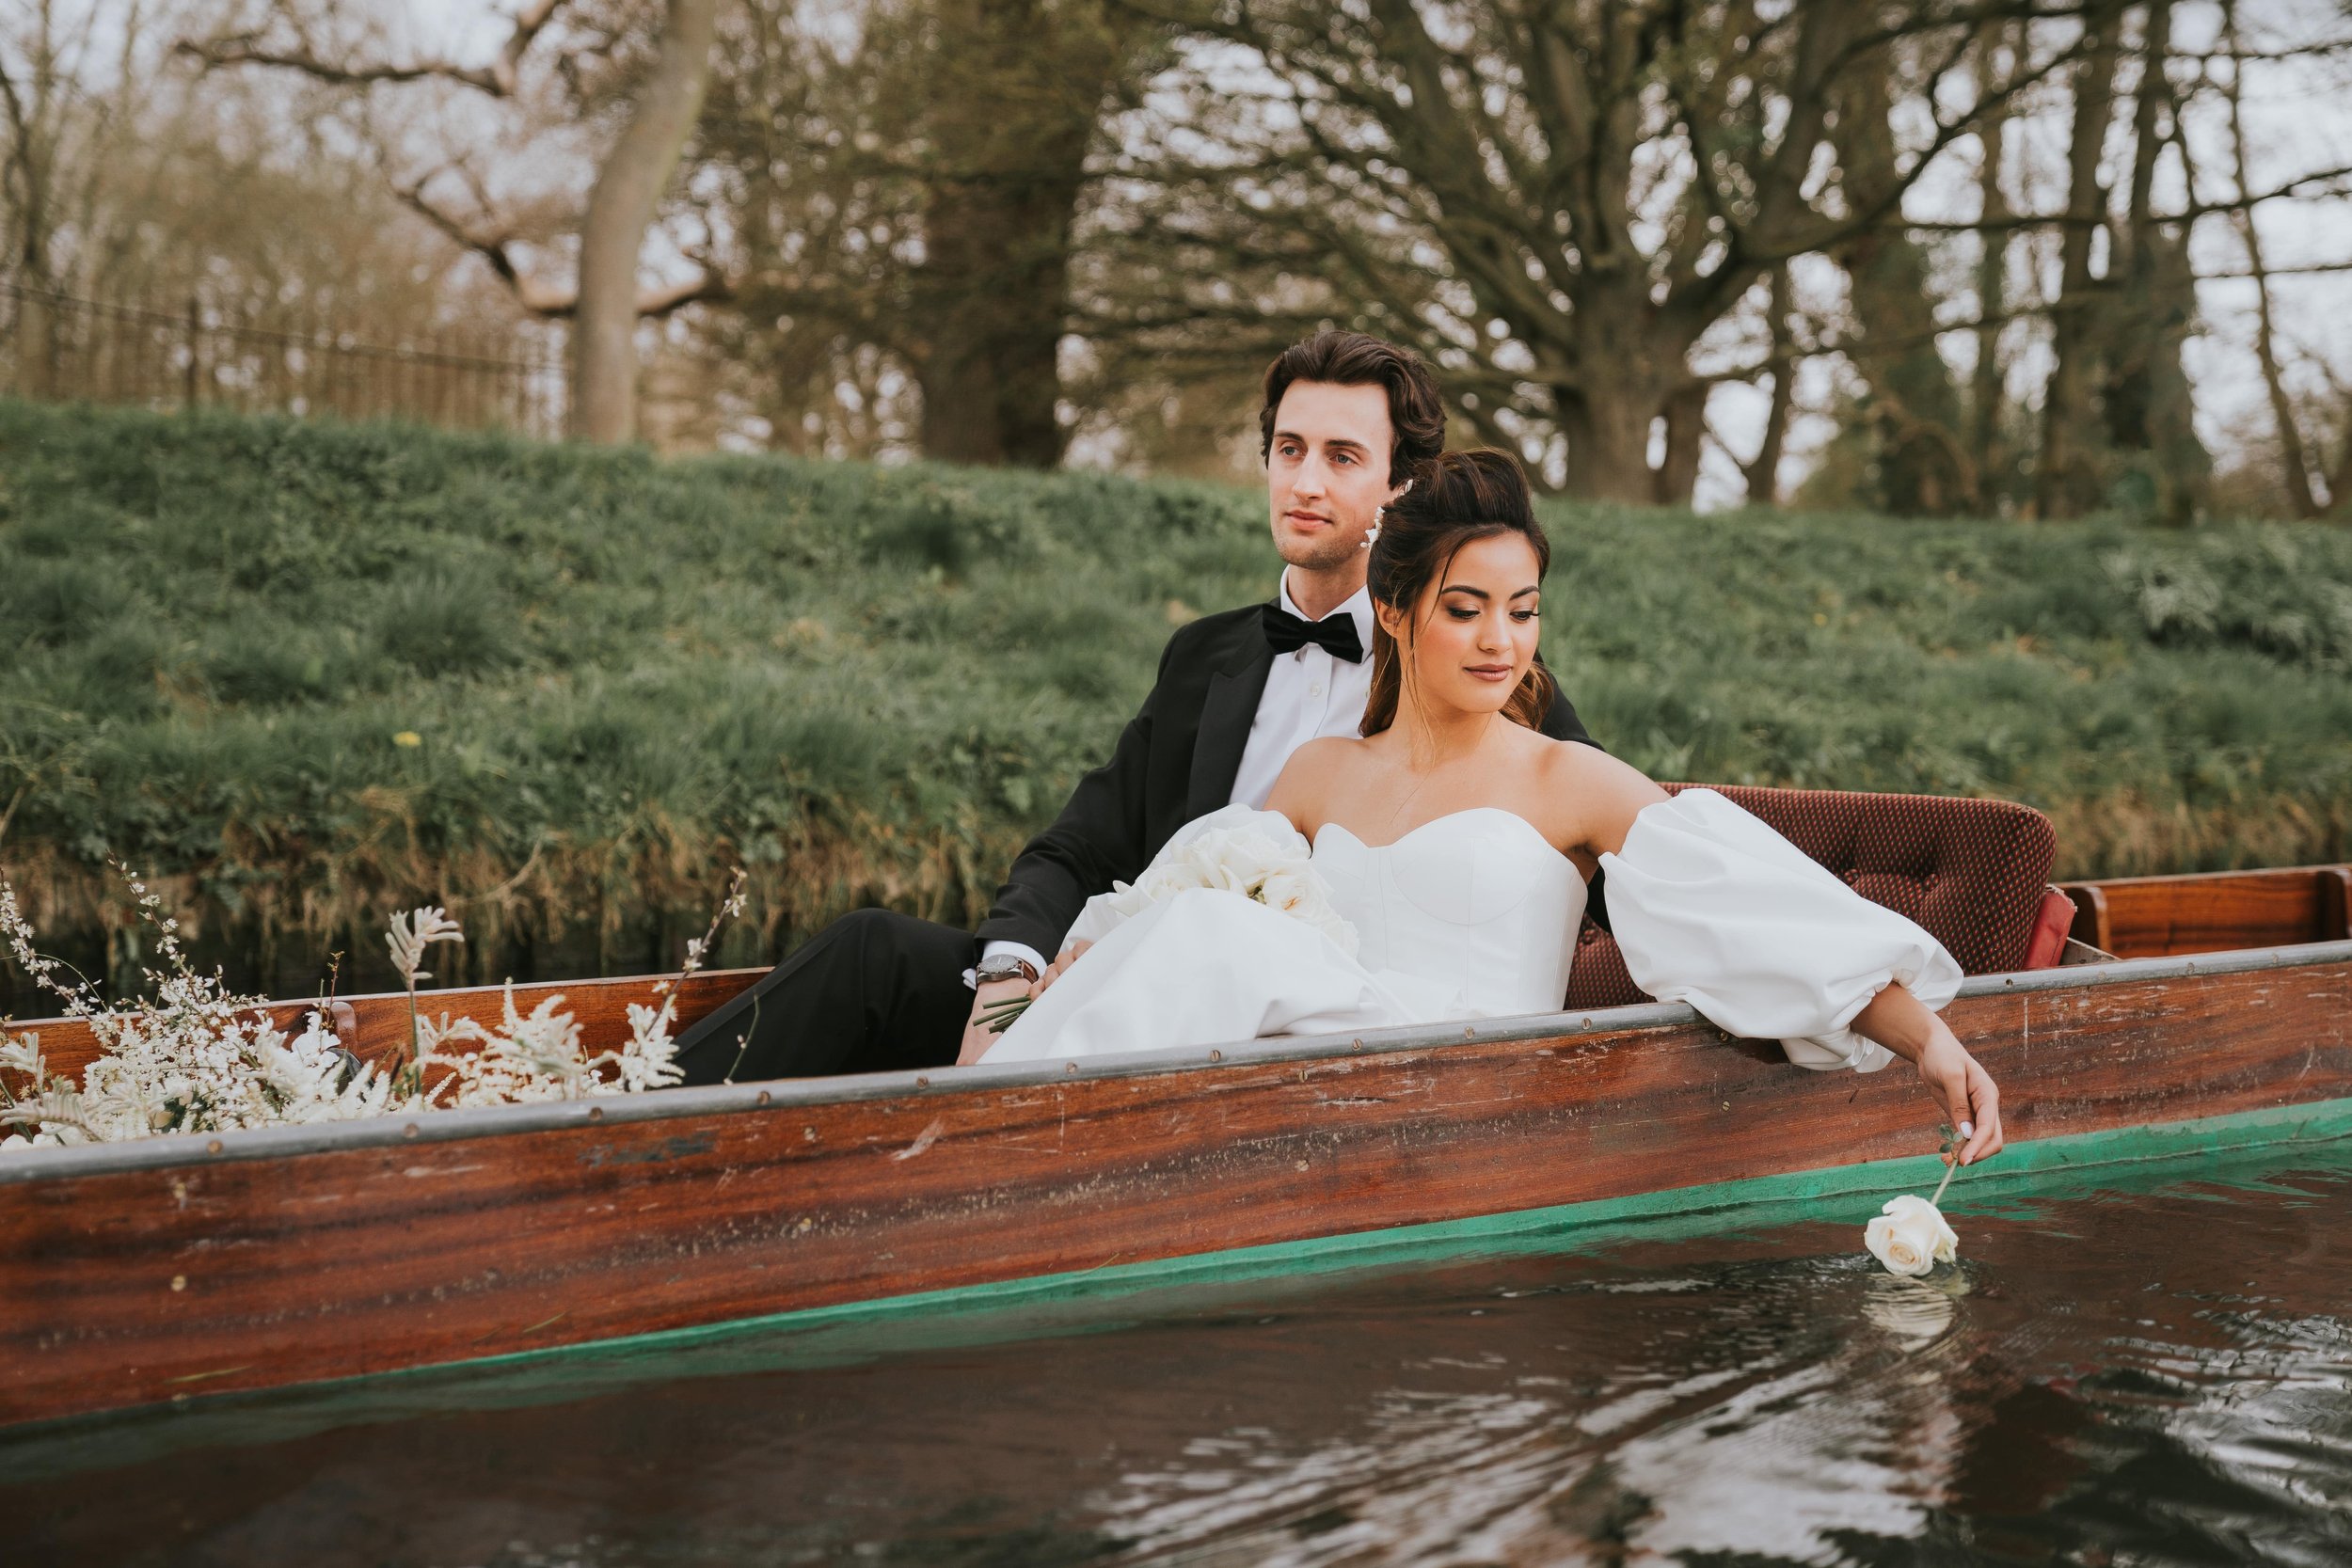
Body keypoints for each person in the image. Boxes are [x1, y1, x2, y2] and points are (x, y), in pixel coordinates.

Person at [981, 449, 2005, 1168]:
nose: (1498, 642)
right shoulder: (1321, 770)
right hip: (1317, 1091)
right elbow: (1189, 885)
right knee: (1203, 918)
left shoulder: (1568, 776)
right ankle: (1002, 1130)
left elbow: (1750, 911)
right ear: (1394, 608)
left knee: (1214, 932)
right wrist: (1095, 947)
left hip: (1470, 1091)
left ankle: (992, 1134)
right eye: (1464, 609)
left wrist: (1931, 1042)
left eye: (1520, 612)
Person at [670, 330, 1599, 1085]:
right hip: (1102, 985)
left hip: (1291, 1053)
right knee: (872, 951)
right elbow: (1078, 849)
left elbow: (1568, 843)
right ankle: (602, 1123)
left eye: (1342, 456)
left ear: (1400, 487)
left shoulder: (1476, 665)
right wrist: (1007, 981)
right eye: (1287, 449)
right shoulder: (1206, 658)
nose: (1303, 482)